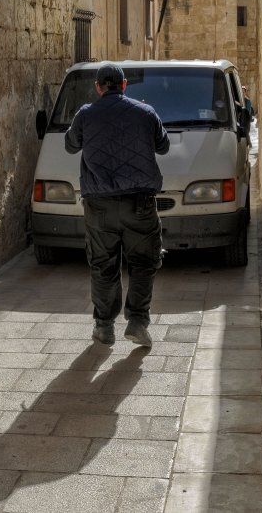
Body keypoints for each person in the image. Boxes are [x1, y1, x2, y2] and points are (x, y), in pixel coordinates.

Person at [65, 63, 170, 348]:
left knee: (103, 265)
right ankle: (137, 321)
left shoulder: (86, 114)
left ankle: (104, 326)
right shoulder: (145, 113)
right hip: (140, 203)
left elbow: (71, 145)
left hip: (99, 206)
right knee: (144, 263)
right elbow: (163, 146)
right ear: (124, 86)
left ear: (98, 87)